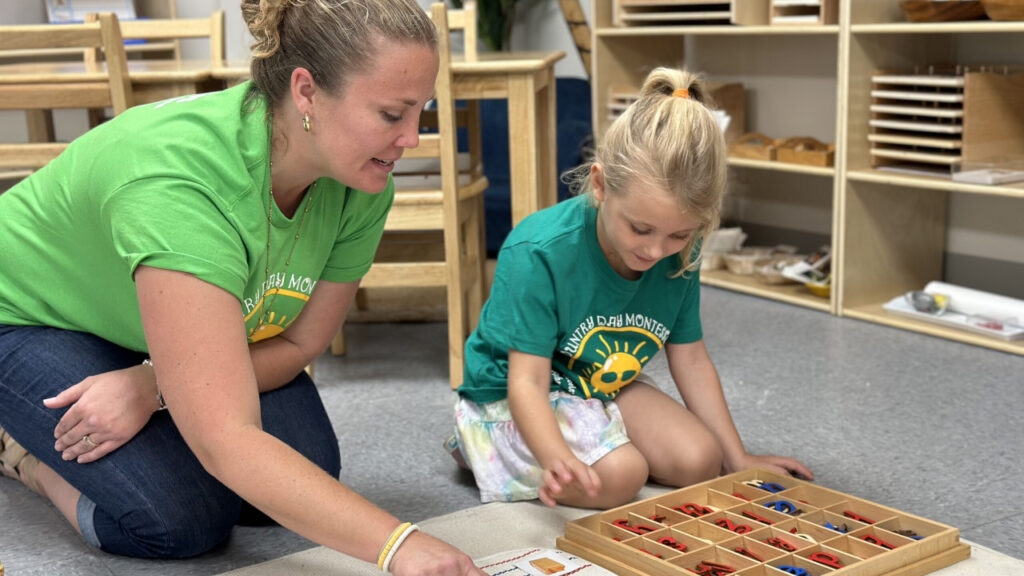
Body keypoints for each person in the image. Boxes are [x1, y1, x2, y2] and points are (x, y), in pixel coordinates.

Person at [0, 1, 486, 573]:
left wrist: (153, 383)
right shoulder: (178, 182)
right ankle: (20, 453)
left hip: (138, 320)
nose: (413, 138)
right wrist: (401, 546)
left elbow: (302, 345)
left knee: (300, 471)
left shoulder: (361, 180)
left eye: (421, 112)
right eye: (391, 114)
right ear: (305, 92)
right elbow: (223, 438)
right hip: (32, 314)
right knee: (181, 518)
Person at [452, 67, 815, 509]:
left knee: (703, 458)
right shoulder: (539, 250)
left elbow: (692, 360)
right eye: (640, 228)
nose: (656, 250)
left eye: (679, 235)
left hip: (597, 382)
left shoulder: (682, 251)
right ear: (601, 185)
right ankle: (476, 445)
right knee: (625, 474)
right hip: (516, 393)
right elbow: (525, 383)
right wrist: (555, 457)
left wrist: (737, 458)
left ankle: (595, 438)